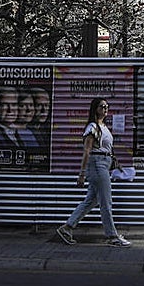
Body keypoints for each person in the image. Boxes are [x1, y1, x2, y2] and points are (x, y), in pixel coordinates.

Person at [55, 98, 132, 247]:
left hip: (104, 163)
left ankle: (67, 228)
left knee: (91, 200)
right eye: (102, 106)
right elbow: (87, 151)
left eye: (107, 106)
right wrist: (82, 174)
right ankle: (112, 236)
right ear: (95, 109)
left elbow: (106, 149)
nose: (105, 109)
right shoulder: (92, 127)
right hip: (97, 165)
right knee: (106, 202)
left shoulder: (103, 126)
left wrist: (116, 163)